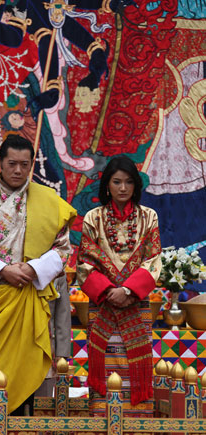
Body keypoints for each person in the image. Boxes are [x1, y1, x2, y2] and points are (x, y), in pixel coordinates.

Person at [0, 134, 77, 416]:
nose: (18, 170)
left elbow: (63, 250)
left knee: (28, 374)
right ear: (0, 162)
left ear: (31, 164)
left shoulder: (47, 200)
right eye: (12, 163)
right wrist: (3, 270)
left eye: (25, 164)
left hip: (30, 300)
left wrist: (33, 268)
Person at [77, 156, 162, 415]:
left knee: (135, 368)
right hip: (103, 303)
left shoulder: (149, 217)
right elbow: (84, 262)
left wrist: (126, 290)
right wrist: (109, 292)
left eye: (128, 182)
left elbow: (153, 260)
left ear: (136, 185)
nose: (122, 188)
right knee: (104, 365)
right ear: (107, 185)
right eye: (116, 182)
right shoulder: (93, 218)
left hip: (135, 302)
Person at [35, 273, 72, 398]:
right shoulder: (10, 268)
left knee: (42, 405)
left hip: (46, 348)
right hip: (13, 347)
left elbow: (63, 314)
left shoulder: (55, 271)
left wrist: (61, 353)